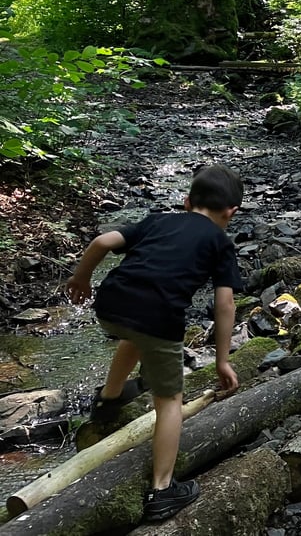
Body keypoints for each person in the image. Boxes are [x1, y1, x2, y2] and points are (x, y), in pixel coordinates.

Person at [65, 164, 244, 522]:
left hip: (111, 303)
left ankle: (109, 399)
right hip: (159, 316)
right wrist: (223, 360)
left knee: (133, 333)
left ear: (186, 201)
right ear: (231, 213)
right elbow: (225, 304)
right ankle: (162, 490)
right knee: (170, 400)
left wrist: (81, 279)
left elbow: (102, 242)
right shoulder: (220, 243)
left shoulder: (158, 220)